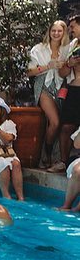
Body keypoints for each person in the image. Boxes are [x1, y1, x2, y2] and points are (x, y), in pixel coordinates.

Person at [28, 19, 73, 169]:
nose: (56, 33)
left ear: (64, 32)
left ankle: (53, 156)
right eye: (53, 30)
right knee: (55, 122)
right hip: (43, 85)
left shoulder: (68, 49)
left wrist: (64, 65)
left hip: (62, 86)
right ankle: (46, 155)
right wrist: (48, 66)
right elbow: (29, 72)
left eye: (59, 31)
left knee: (58, 124)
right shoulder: (39, 49)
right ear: (49, 32)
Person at [56, 15, 80, 173]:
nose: (70, 30)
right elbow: (62, 72)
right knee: (65, 127)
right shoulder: (72, 45)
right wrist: (70, 64)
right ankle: (63, 162)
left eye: (72, 26)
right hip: (74, 89)